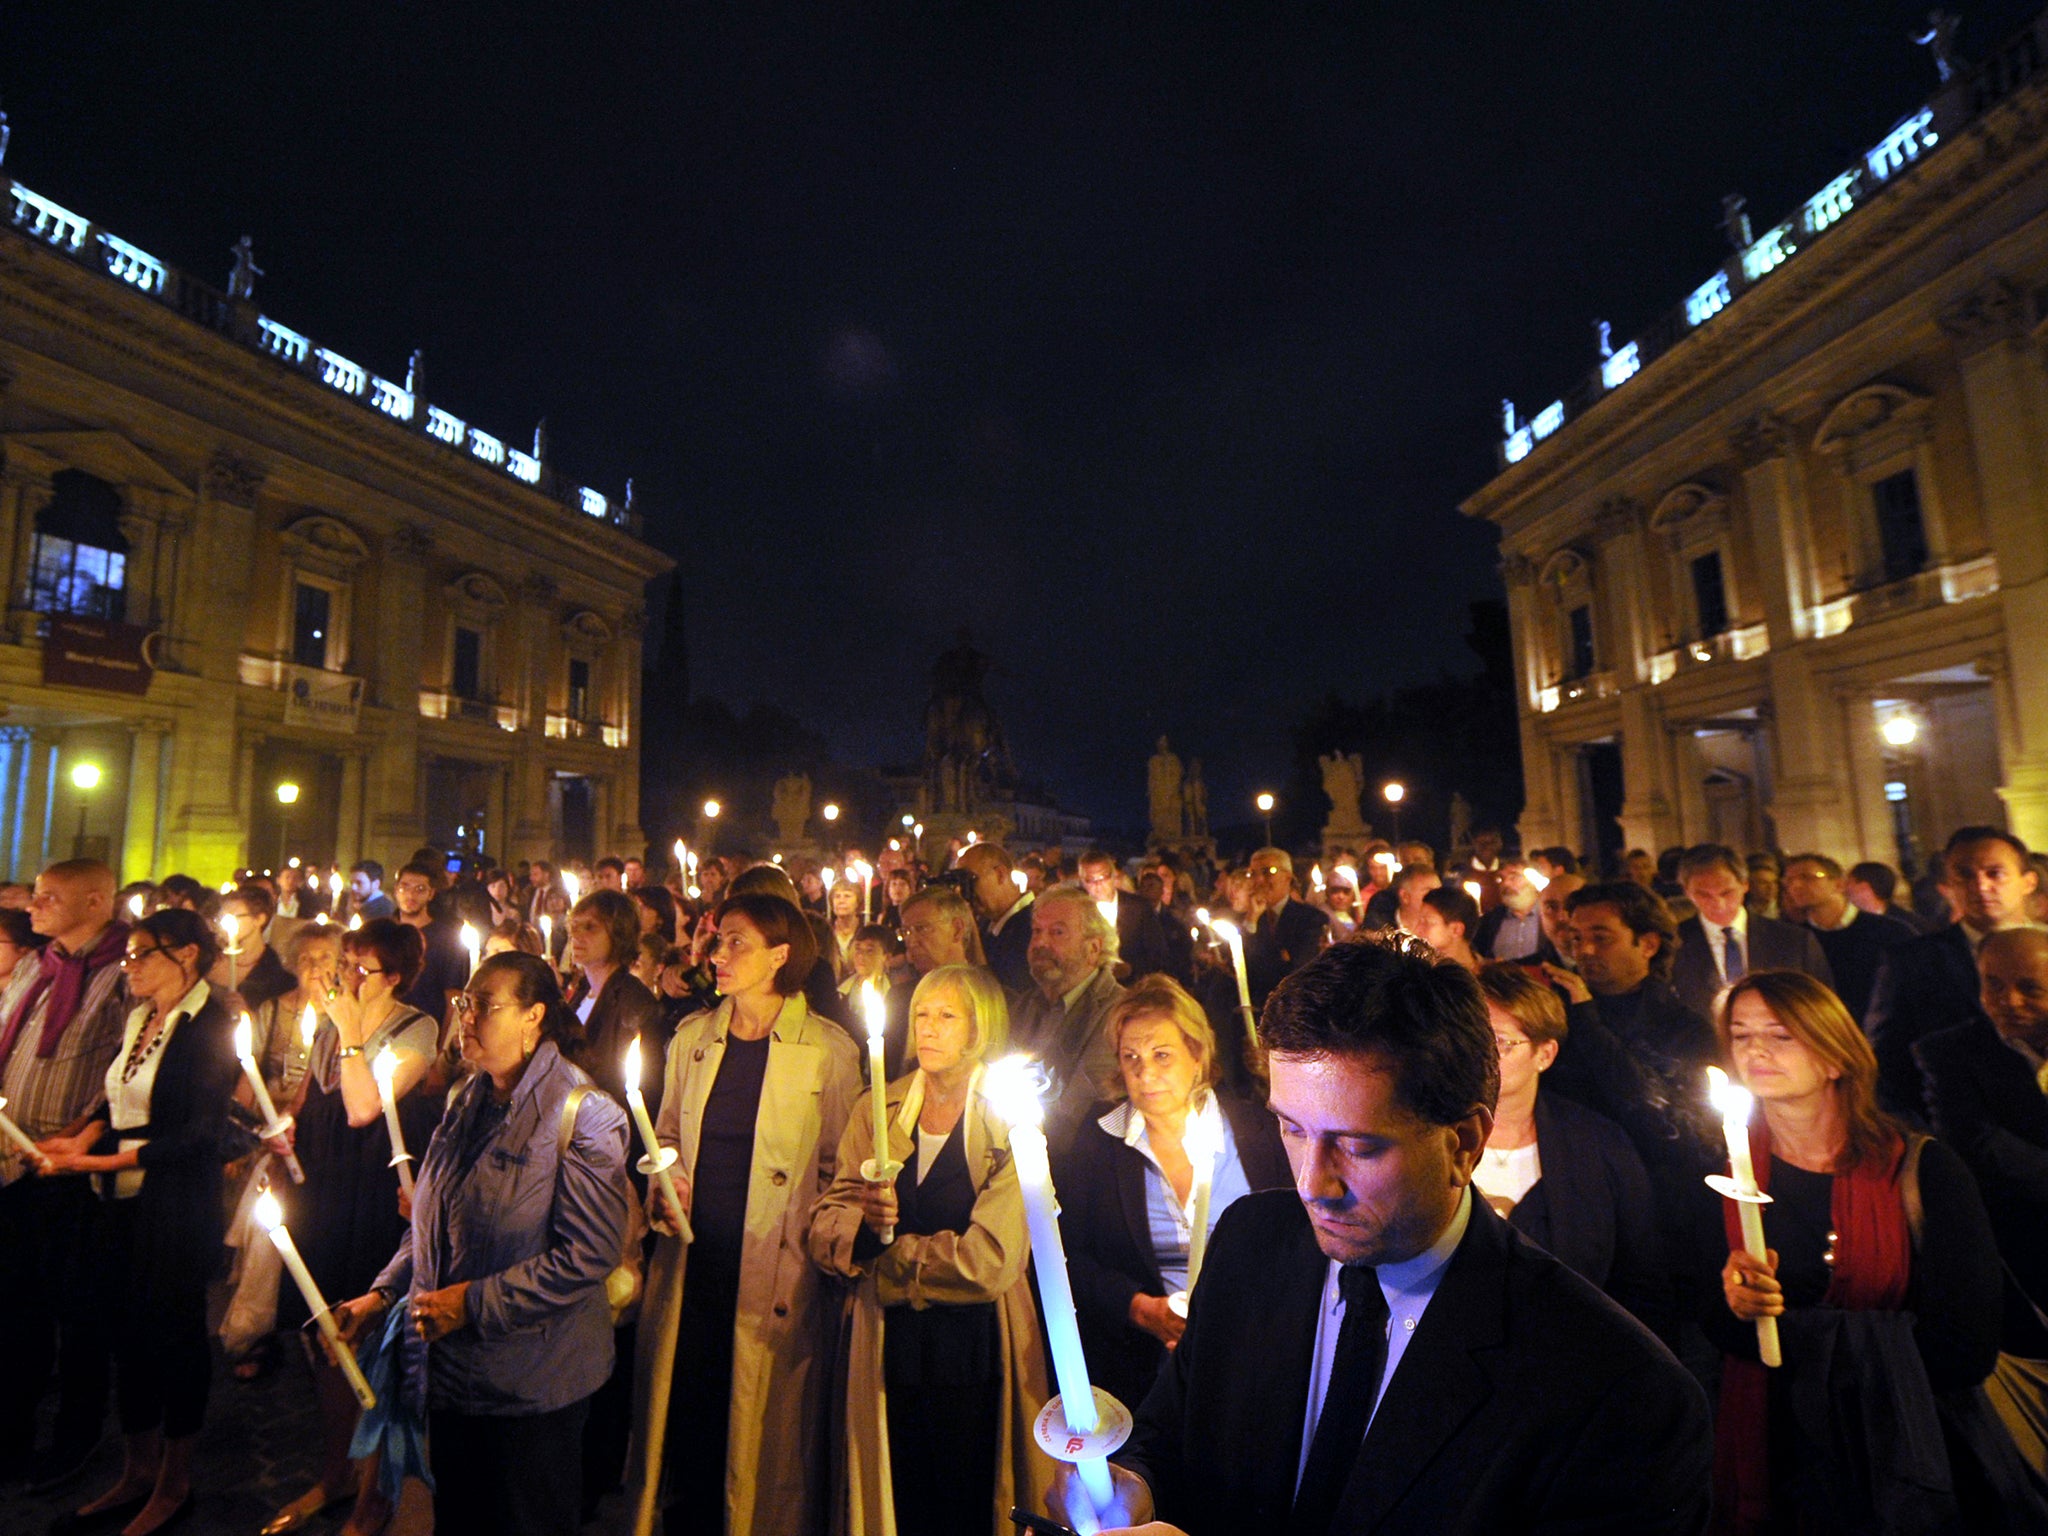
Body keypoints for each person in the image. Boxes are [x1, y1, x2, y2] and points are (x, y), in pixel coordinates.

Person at [1048, 937, 1712, 1535]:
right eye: (1293, 1129)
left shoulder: (1616, 1391)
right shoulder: (1250, 1244)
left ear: (1464, 1142)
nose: (1312, 1183)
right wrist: (1128, 1487)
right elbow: (1171, 1434)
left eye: (1360, 1146)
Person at [333, 952, 632, 1536]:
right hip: (453, 1377)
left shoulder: (584, 1114)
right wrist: (382, 1294)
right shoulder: (467, 1099)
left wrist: (470, 1303)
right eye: (464, 1005)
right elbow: (436, 1223)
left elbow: (588, 1256)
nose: (466, 1020)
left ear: (534, 1017)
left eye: (485, 1007)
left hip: (532, 1386)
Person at [1703, 970, 2004, 1532]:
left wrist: (1819, 1350)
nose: (1756, 1049)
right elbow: (1710, 1322)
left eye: (1781, 1034)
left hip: (1899, 1447)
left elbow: (1967, 1346)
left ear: (1835, 1057)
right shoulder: (1721, 1172)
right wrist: (1739, 1308)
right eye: (1741, 1035)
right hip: (1778, 1444)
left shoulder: (1921, 1170)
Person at [629, 891, 860, 1536]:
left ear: (780, 956)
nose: (717, 954)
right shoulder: (693, 1038)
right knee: (693, 1416)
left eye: (737, 943)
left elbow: (840, 1168)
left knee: (763, 1435)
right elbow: (666, 1132)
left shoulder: (828, 1051)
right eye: (716, 939)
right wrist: (665, 1176)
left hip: (776, 1272)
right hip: (696, 1260)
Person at [810, 963, 1055, 1535]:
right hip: (889, 1344)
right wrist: (864, 1231)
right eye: (921, 1014)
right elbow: (829, 1220)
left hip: (977, 1347)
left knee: (968, 1498)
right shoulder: (881, 1109)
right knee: (903, 1492)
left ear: (979, 1028)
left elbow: (990, 1261)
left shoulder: (1009, 1122)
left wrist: (887, 1261)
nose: (929, 1028)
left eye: (947, 1016)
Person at [38, 909, 239, 1536]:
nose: (129, 966)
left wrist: (102, 1157)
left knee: (172, 1336)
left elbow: (200, 1132)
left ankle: (175, 1482)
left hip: (175, 1206)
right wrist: (79, 1138)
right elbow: (118, 1098)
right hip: (118, 1202)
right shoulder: (138, 1019)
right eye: (126, 955)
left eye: (141, 955)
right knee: (123, 1331)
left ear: (185, 956)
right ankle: (136, 1468)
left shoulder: (212, 1025)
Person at [258, 919, 438, 1536]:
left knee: (371, 1346)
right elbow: (318, 1093)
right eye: (344, 967)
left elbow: (365, 1108)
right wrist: (284, 1125)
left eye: (359, 970)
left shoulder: (418, 1026)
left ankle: (375, 1491)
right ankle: (334, 1471)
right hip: (326, 1188)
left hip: (373, 1190)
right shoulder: (335, 1023)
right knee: (324, 1335)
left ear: (392, 976)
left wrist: (354, 1032)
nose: (343, 980)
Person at [1056, 975, 1291, 1412]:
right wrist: (1141, 1309)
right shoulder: (1098, 1145)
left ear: (1197, 1054)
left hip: (1259, 1359)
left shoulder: (1258, 1133)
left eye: (1162, 1055)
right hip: (1144, 1372)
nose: (1146, 1074)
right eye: (1132, 1058)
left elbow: (1297, 1244)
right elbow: (1070, 1262)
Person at [0, 858, 131, 1489]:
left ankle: (76, 1437)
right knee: (14, 1307)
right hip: (12, 1165)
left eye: (49, 897)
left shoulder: (122, 975)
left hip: (73, 1173)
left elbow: (124, 1070)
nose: (33, 906)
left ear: (95, 901)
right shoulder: (36, 963)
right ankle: (12, 1430)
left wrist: (85, 1135)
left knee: (78, 1314)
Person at [1473, 963, 1668, 1336]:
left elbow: (1642, 1279)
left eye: (1500, 1042)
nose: (1477, 1054)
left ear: (1544, 1054)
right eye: (1469, 1036)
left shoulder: (1598, 1144)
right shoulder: (1426, 1139)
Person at [1915, 928, 2048, 1470]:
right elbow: (1979, 1144)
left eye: (2030, 988)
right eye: (1992, 986)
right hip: (2021, 1260)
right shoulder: (1949, 1052)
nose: (2007, 1002)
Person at [1867, 827, 2044, 1117]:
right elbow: (1888, 1062)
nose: (1980, 886)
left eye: (1995, 873)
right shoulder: (1911, 962)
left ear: (2028, 881)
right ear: (1947, 886)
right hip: (1963, 1132)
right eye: (1964, 875)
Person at [1011, 884, 1129, 1151]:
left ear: (1093, 948)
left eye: (1058, 932)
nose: (1041, 943)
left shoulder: (1118, 1013)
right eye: (1037, 932)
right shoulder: (1025, 1006)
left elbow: (1081, 1107)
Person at [1670, 844, 1833, 1025]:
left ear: (1745, 884)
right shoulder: (1673, 943)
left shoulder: (1794, 941)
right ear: (1686, 892)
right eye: (1703, 895)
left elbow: (1823, 1008)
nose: (1718, 904)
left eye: (1727, 892)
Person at [1780, 851, 1915, 1022]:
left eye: (1807, 877)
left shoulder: (1890, 931)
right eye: (1789, 881)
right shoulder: (1794, 939)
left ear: (1838, 884)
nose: (1796, 886)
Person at [1242, 848, 1331, 1004]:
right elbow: (1237, 967)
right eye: (1253, 874)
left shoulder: (1310, 919)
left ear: (1288, 877)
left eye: (1268, 871)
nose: (1259, 880)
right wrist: (1251, 921)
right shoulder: (1250, 919)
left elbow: (1297, 971)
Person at [1080, 848, 1175, 982]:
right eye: (1090, 880)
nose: (1098, 885)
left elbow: (1158, 954)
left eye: (1103, 878)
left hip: (1130, 987)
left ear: (1113, 876)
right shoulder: (1077, 908)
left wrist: (1131, 969)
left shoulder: (1139, 908)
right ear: (1082, 881)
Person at [958, 841, 1035, 994]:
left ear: (1000, 874)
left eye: (971, 880)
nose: (967, 891)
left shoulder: (1033, 925)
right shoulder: (987, 922)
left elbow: (998, 994)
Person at [1474, 859, 1553, 963]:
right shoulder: (1489, 921)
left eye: (1514, 877)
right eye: (1501, 878)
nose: (1505, 883)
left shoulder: (1550, 916)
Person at [1411, 885, 1481, 970]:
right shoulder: (1417, 974)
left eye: (1428, 922)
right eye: (1419, 921)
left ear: (1456, 930)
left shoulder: (1489, 978)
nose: (1417, 929)